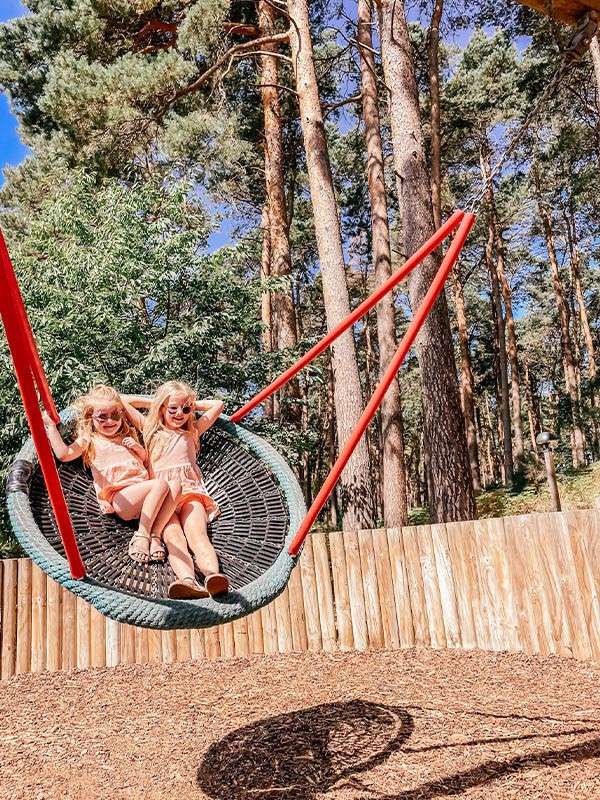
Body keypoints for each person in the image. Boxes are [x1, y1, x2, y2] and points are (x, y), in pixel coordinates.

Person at [43, 385, 176, 565]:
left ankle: (155, 536)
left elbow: (144, 461)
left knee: (176, 485)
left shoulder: (127, 436)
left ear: (121, 415)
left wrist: (137, 448)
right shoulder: (89, 440)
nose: (109, 421)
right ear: (91, 417)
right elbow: (64, 454)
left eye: (115, 416)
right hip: (122, 498)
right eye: (102, 417)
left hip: (147, 497)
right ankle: (141, 536)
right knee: (161, 484)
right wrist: (51, 428)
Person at [122, 381, 229, 600]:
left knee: (198, 536)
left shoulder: (193, 432)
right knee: (174, 539)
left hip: (190, 492)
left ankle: (213, 576)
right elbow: (123, 401)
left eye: (185, 409)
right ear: (162, 408)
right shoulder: (150, 430)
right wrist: (158, 402)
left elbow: (218, 404)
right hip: (164, 498)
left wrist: (189, 403)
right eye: (173, 408)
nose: (180, 413)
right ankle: (187, 581)